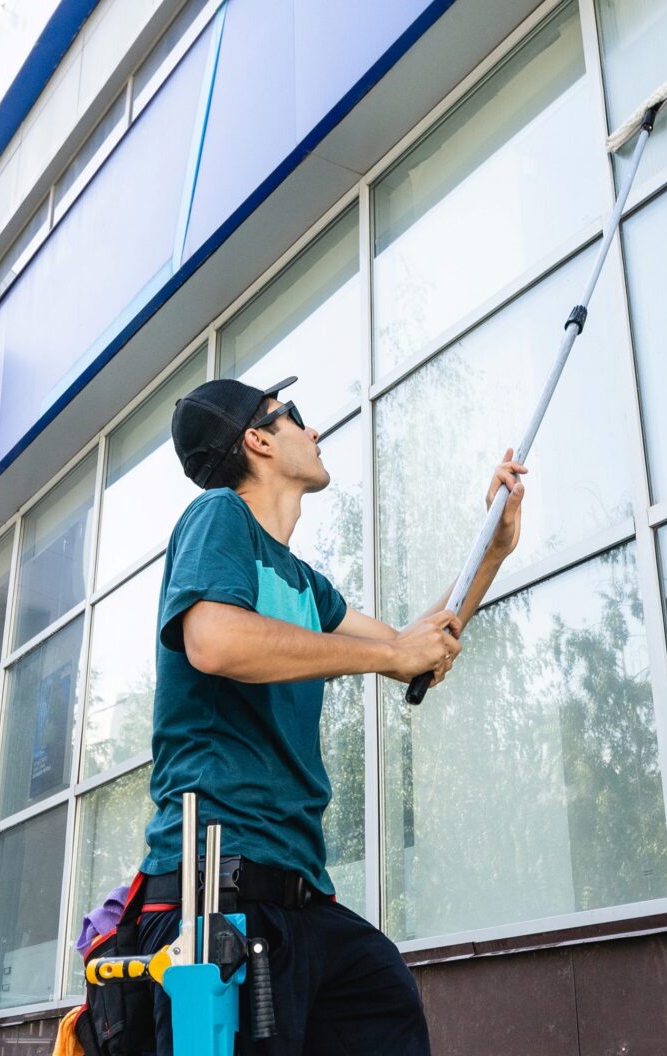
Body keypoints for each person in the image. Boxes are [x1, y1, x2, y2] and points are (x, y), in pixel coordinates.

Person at [135, 375, 526, 1055]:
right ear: (258, 439)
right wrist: (390, 657)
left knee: (384, 999)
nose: (313, 432)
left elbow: (418, 647)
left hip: (299, 897)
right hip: (217, 890)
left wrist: (490, 547)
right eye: (297, 418)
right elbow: (214, 640)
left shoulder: (304, 585)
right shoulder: (218, 519)